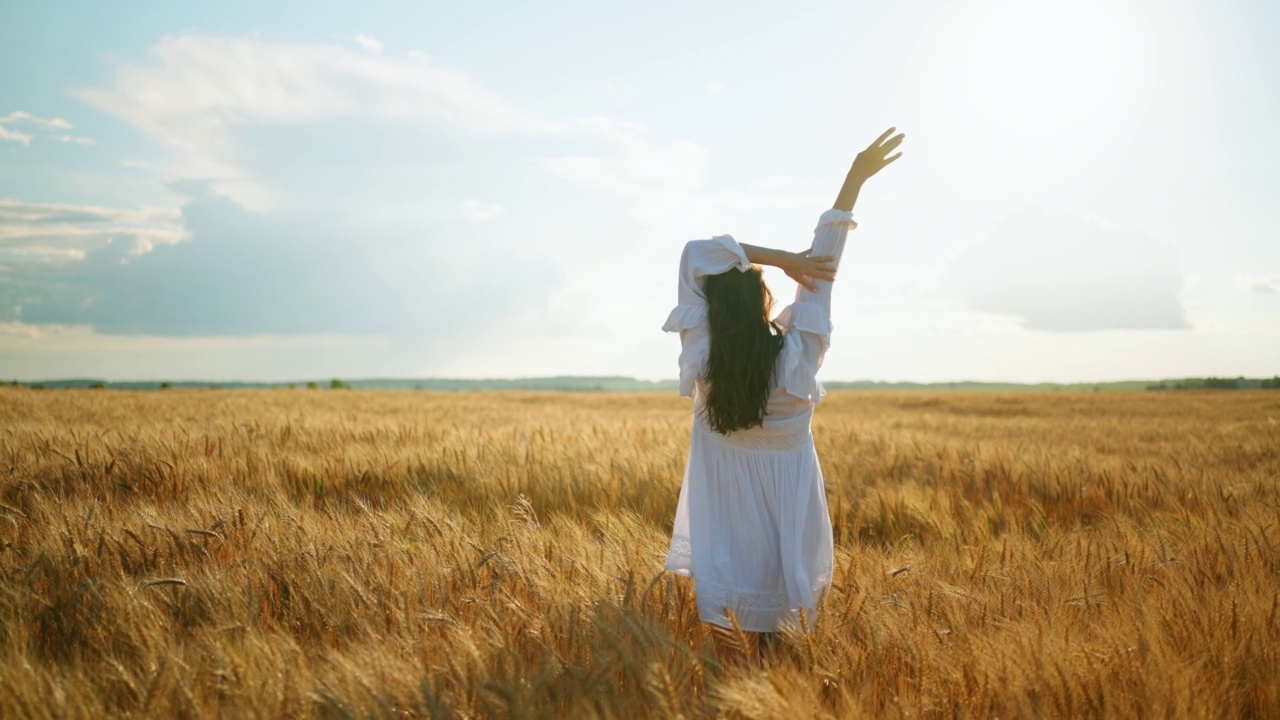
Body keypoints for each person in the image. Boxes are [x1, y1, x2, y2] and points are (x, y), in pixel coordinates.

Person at [662, 128, 904, 659]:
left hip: (728, 540)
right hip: (787, 522)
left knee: (730, 660)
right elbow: (826, 266)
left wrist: (772, 257)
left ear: (711, 311)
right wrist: (853, 182)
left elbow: (695, 252)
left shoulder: (704, 362)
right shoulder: (800, 359)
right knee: (786, 654)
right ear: (763, 301)